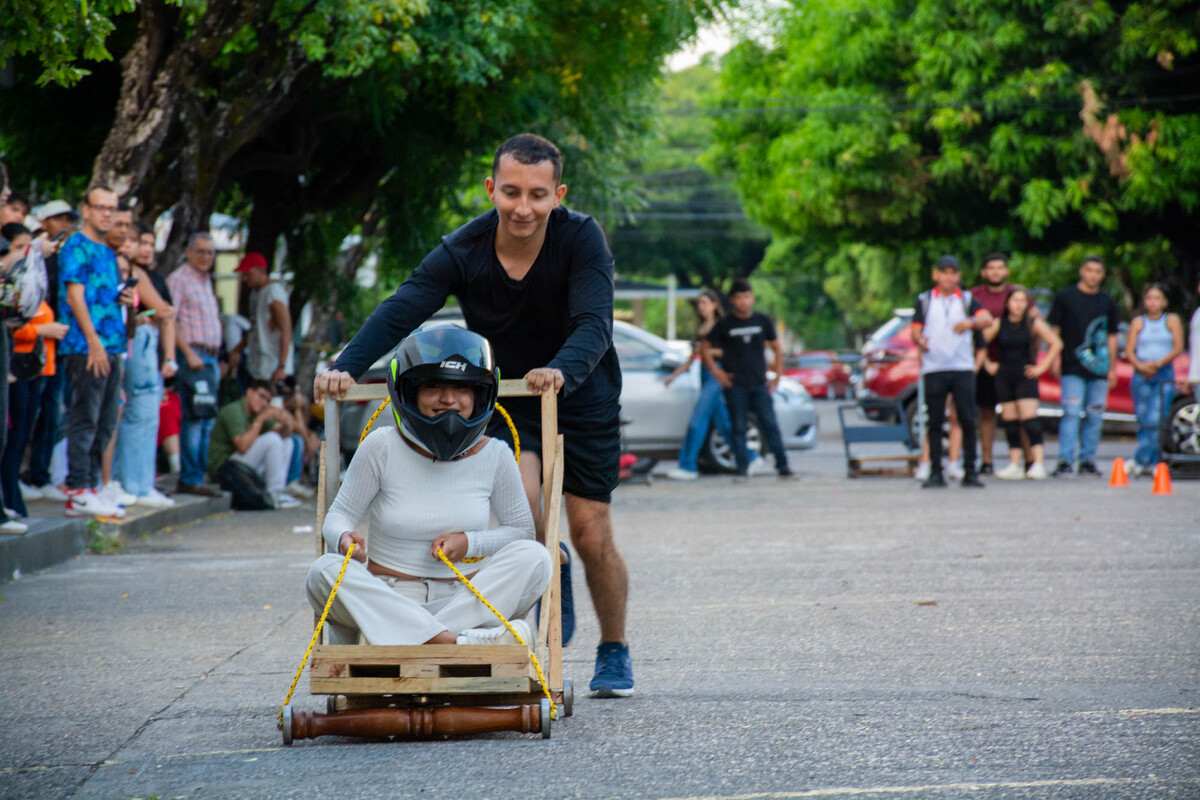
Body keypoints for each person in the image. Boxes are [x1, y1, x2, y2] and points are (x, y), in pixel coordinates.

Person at [314, 133, 634, 697]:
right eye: (510, 193)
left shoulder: (581, 239)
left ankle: (614, 647)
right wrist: (346, 365)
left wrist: (559, 370)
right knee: (528, 511)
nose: (523, 208)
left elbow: (594, 324)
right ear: (492, 189)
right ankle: (539, 586)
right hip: (509, 394)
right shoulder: (465, 248)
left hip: (578, 391)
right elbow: (405, 306)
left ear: (557, 195)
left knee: (589, 529)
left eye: (537, 195)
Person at [307, 328, 551, 646]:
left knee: (535, 556)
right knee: (324, 569)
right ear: (410, 393)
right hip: (391, 597)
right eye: (433, 386)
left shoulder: (496, 454)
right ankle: (457, 643)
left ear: (479, 395)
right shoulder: (381, 446)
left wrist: (469, 543)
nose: (448, 399)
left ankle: (415, 637)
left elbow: (521, 531)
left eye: (462, 388)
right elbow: (337, 517)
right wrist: (343, 538)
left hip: (465, 600)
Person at [57, 186, 135, 517]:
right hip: (86, 346)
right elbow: (75, 297)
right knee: (85, 417)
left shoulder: (107, 250)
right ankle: (77, 487)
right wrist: (93, 342)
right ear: (86, 210)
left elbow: (99, 294)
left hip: (112, 344)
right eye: (100, 207)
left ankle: (92, 484)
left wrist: (122, 299)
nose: (107, 213)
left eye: (111, 208)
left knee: (105, 421)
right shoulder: (76, 246)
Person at [911, 255, 993, 489]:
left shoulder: (967, 300)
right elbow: (916, 329)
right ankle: (935, 471)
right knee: (935, 421)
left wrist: (969, 324)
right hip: (934, 367)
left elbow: (986, 319)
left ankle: (970, 470)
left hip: (961, 367)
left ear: (958, 276)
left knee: (967, 419)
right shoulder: (925, 300)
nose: (949, 277)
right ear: (936, 275)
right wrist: (920, 340)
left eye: (953, 272)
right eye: (944, 272)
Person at [664, 288, 763, 480]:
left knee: (697, 421)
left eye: (705, 303)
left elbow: (729, 351)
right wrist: (673, 376)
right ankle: (751, 457)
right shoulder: (701, 328)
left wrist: (707, 352)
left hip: (716, 375)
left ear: (715, 305)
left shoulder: (722, 326)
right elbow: (692, 358)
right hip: (703, 375)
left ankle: (688, 466)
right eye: (699, 303)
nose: (701, 307)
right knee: (724, 424)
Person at [700, 279, 793, 479]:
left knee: (770, 424)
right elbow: (705, 348)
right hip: (736, 384)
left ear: (752, 298)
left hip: (760, 383)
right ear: (732, 300)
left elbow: (777, 348)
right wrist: (718, 373)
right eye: (739, 297)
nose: (743, 301)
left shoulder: (762, 320)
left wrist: (777, 375)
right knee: (738, 427)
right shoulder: (725, 324)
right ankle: (742, 468)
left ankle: (783, 465)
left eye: (747, 297)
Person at [23, 201, 77, 503]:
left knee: (53, 412)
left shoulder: (67, 256)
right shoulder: (34, 254)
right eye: (58, 219)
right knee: (28, 413)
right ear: (43, 222)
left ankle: (41, 474)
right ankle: (23, 474)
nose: (63, 224)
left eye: (67, 219)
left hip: (59, 344)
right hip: (31, 341)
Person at [1047, 257, 1119, 477]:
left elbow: (1112, 336)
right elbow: (1054, 330)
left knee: (1095, 414)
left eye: (1098, 271)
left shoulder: (1107, 301)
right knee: (1070, 412)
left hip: (1099, 367)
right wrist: (1055, 359)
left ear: (1103, 275)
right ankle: (1065, 461)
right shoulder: (1065, 297)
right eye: (1089, 270)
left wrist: (1112, 367)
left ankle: (1087, 460)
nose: (1093, 275)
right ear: (1081, 271)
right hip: (1071, 365)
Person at [980, 287, 1062, 480]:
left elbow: (1056, 343)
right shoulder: (1000, 323)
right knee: (1010, 422)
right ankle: (1015, 463)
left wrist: (1042, 367)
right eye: (1015, 300)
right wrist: (987, 363)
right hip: (1004, 375)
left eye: (1022, 301)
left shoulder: (1033, 323)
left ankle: (1038, 462)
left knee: (1030, 420)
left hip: (1025, 374)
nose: (1018, 304)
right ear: (1007, 303)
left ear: (1027, 304)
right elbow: (980, 341)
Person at [167, 232, 223, 497]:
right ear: (188, 252)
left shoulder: (206, 280)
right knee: (195, 418)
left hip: (210, 357)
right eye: (200, 251)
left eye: (210, 253)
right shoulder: (180, 279)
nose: (206, 257)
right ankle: (190, 478)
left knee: (207, 419)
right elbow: (169, 319)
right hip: (193, 356)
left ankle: (198, 476)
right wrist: (187, 353)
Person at [4, 296, 66, 525]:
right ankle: (10, 497)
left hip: (37, 368)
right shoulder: (14, 283)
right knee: (13, 436)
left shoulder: (35, 283)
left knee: (21, 435)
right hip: (18, 366)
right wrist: (41, 330)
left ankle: (12, 498)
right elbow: (11, 328)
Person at [206, 380, 302, 509]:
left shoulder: (258, 411)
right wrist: (260, 420)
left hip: (243, 468)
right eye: (261, 396)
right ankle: (275, 492)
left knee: (287, 441)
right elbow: (243, 446)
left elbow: (283, 435)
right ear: (249, 392)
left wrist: (285, 420)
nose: (264, 403)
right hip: (224, 468)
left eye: (268, 400)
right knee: (272, 439)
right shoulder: (233, 410)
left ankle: (279, 491)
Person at [1124, 284, 1184, 477]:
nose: (1153, 302)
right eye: (1149, 298)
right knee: (1143, 419)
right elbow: (1130, 350)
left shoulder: (1171, 320)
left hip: (1163, 373)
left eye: (1157, 298)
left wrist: (1158, 364)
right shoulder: (1138, 323)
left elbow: (1178, 347)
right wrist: (1141, 366)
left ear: (1164, 301)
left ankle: (1146, 459)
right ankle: (1146, 461)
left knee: (1156, 419)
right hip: (1141, 373)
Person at [970, 253, 1014, 475]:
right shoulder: (974, 296)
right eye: (991, 268)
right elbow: (970, 332)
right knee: (986, 412)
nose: (996, 272)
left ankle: (1025, 460)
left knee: (1016, 414)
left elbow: (1033, 325)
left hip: (1012, 361)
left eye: (1000, 267)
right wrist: (984, 360)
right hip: (984, 361)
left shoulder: (1017, 294)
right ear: (984, 272)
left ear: (1006, 271)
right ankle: (986, 461)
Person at [236, 251, 294, 384]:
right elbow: (255, 327)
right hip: (259, 365)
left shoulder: (273, 292)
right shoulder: (255, 294)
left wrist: (282, 366)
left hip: (274, 367)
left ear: (260, 271)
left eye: (248, 273)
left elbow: (286, 330)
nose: (245, 278)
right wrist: (237, 350)